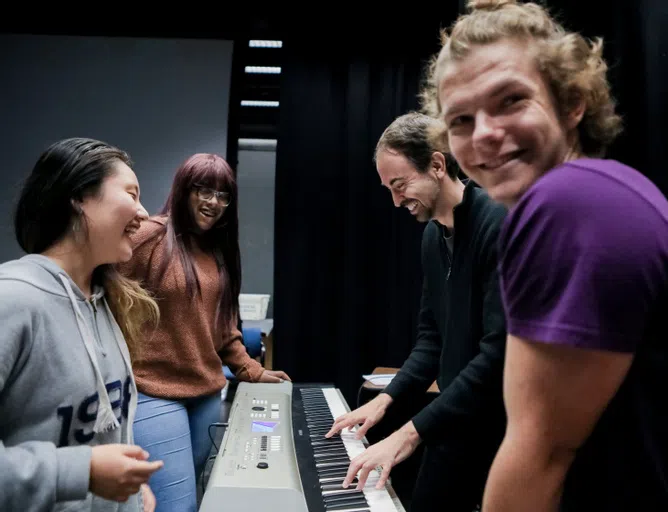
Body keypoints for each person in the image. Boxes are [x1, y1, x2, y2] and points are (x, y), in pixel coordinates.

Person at [422, 1, 668, 510]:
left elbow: (542, 452)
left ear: (571, 102)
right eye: (462, 120)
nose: (485, 133)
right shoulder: (603, 191)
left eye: (511, 100)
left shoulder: (565, 203)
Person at [325, 112, 508, 511]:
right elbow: (431, 341)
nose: (395, 200)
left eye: (400, 184)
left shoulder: (497, 223)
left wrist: (408, 434)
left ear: (438, 165)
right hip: (455, 419)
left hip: (501, 427)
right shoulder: (432, 237)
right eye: (388, 188)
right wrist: (385, 400)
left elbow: (497, 357)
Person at [118, 153, 290, 512]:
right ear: (184, 190)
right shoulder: (150, 235)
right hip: (154, 392)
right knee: (175, 506)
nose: (215, 202)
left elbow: (224, 328)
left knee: (196, 497)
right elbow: (102, 291)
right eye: (204, 190)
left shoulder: (216, 251)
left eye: (224, 195)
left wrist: (252, 371)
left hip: (207, 395)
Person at [0, 137, 163, 512]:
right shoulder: (13, 299)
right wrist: (80, 472)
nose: (143, 211)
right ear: (79, 196)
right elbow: (84, 463)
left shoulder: (104, 303)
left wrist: (133, 494)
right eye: (131, 193)